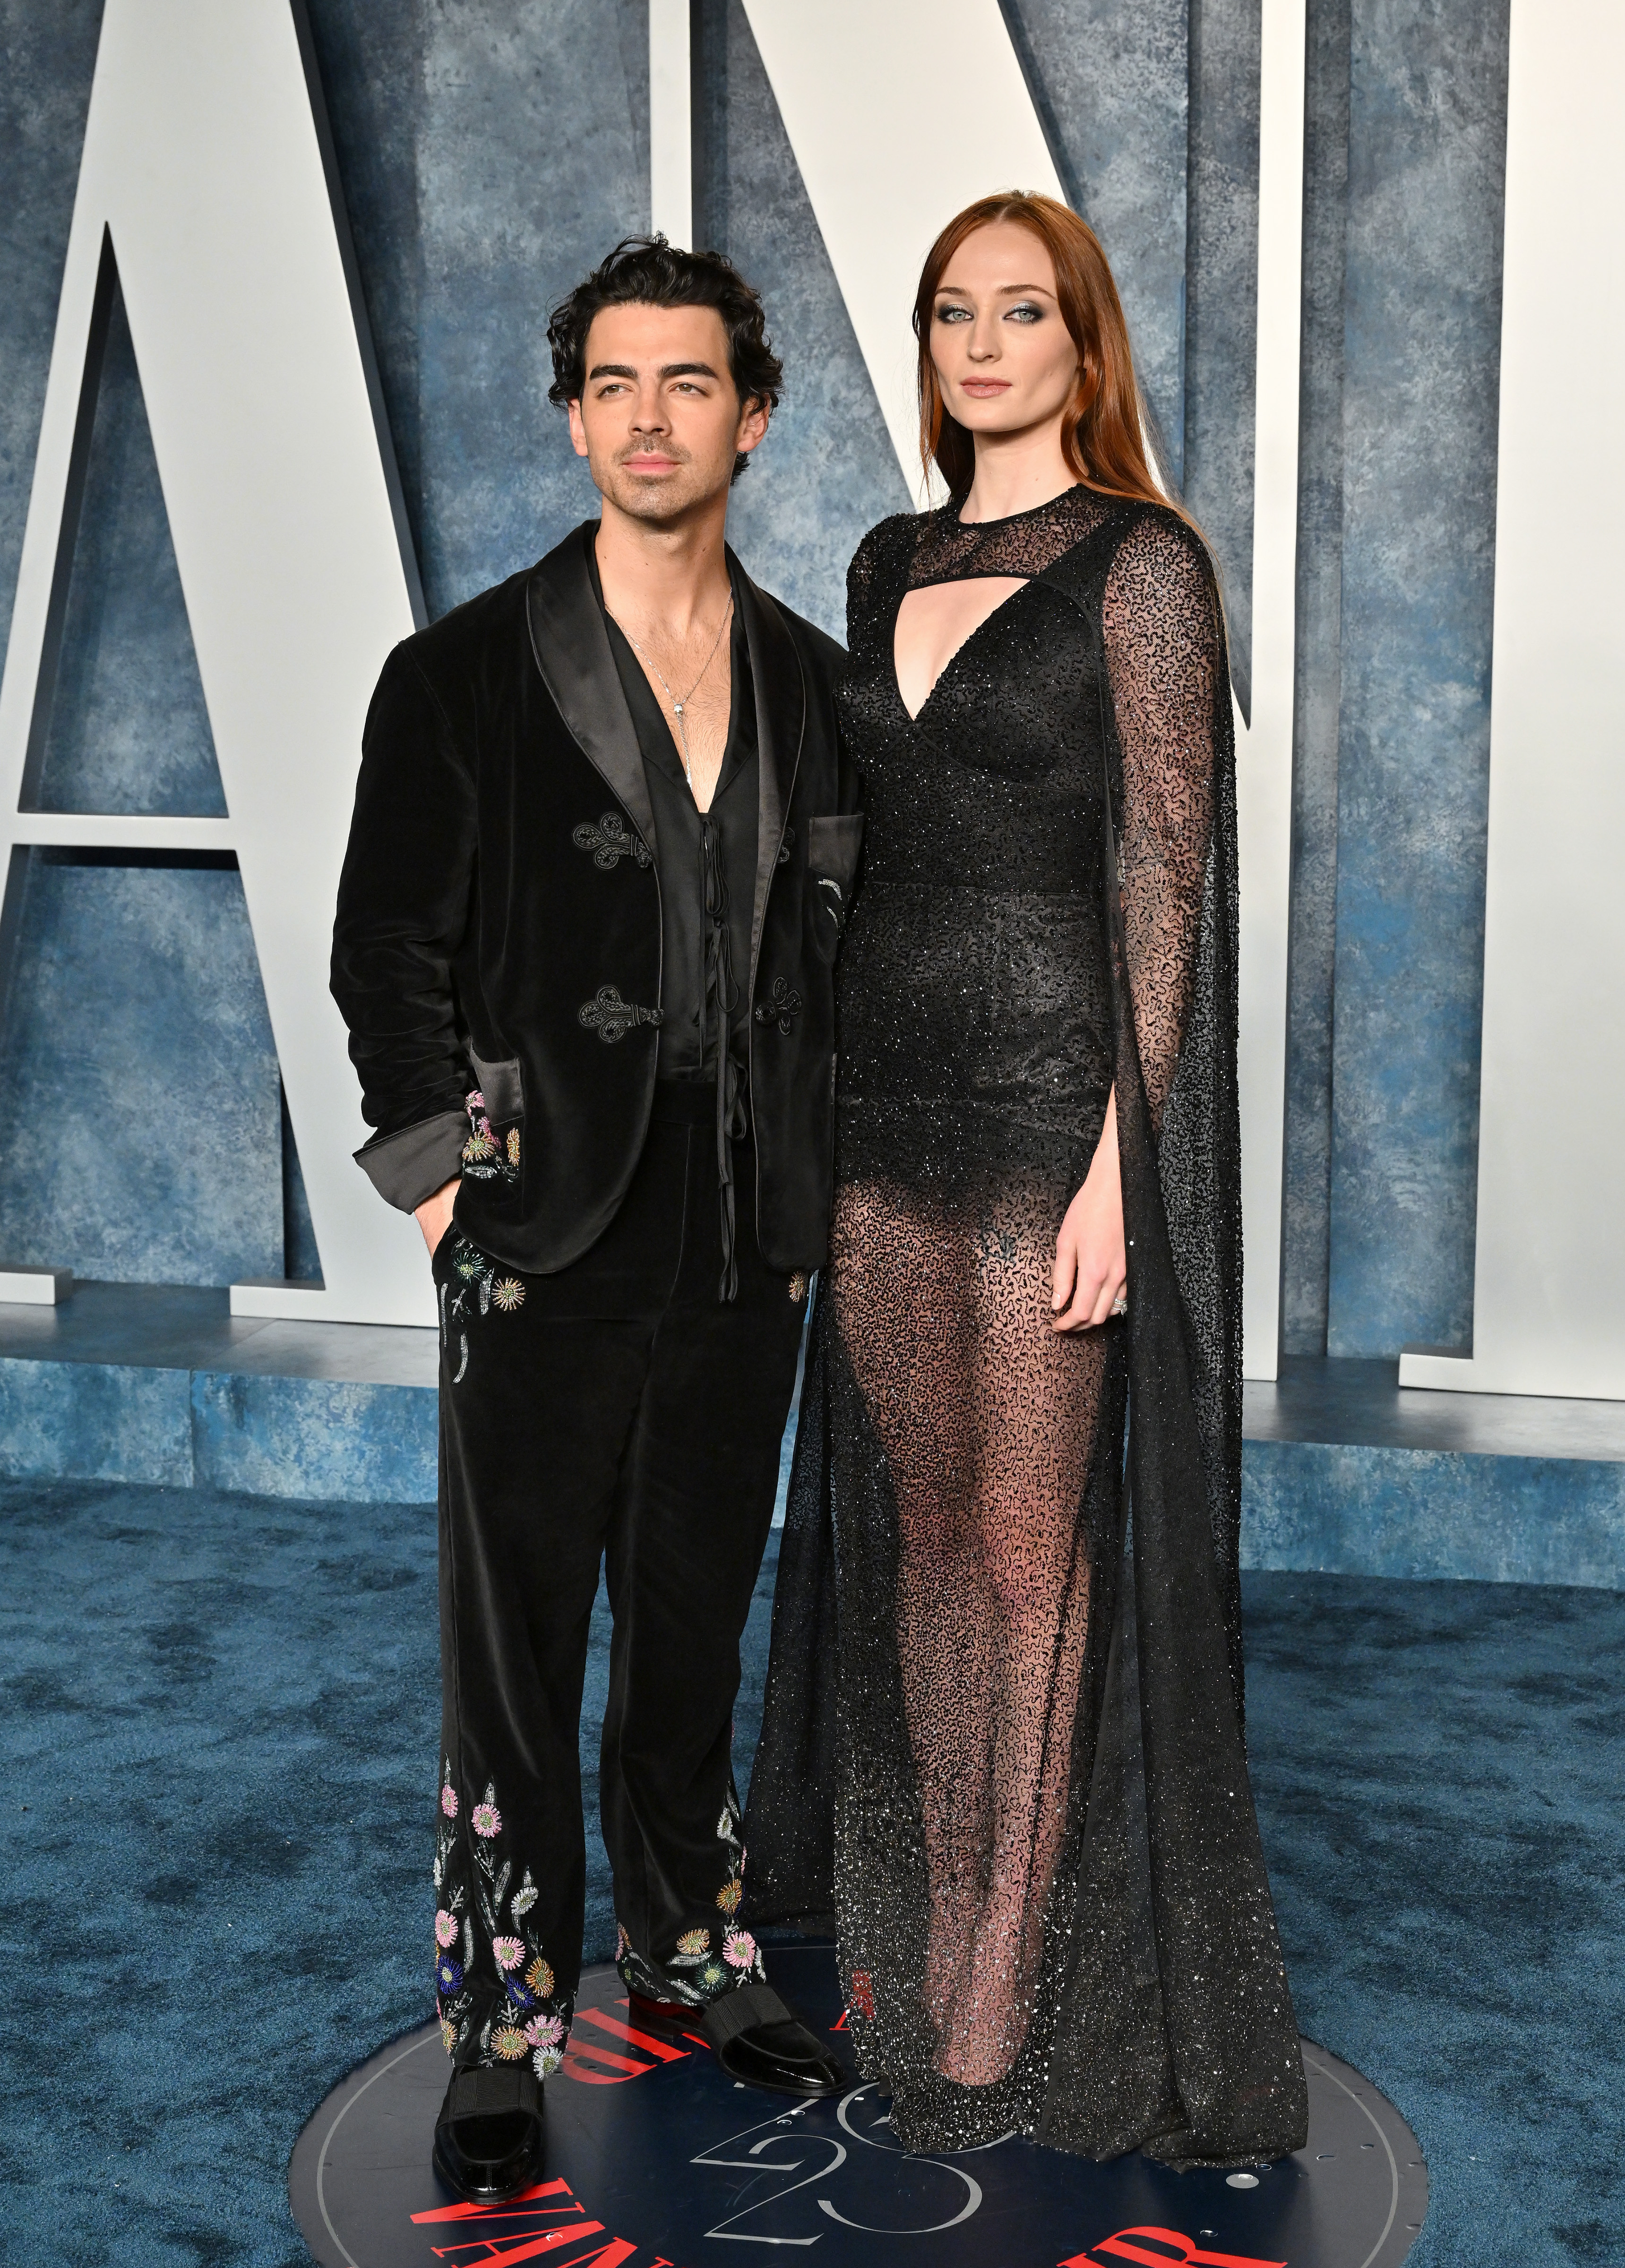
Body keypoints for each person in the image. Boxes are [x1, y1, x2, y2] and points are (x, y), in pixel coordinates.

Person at [745, 192, 1309, 2168]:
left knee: (1028, 1551)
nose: (980, 345)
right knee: (919, 1535)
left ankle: (996, 1959)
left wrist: (1117, 1174)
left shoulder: (1142, 568)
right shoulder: (883, 553)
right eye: (949, 314)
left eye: (1019, 312)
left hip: (1050, 1116)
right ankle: (930, 1899)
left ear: (1082, 341)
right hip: (886, 1122)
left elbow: (1164, 884)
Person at [331, 235, 860, 2206]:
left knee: (694, 1619)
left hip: (747, 1234)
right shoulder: (457, 672)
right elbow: (383, 944)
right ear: (574, 416)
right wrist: (446, 1181)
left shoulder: (815, 684)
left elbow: (843, 958)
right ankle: (497, 2015)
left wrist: (817, 1195)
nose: (650, 417)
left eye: (689, 381)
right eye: (615, 384)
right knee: (515, 1636)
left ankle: (696, 1945)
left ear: (753, 411)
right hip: (537, 1228)